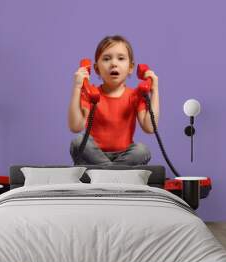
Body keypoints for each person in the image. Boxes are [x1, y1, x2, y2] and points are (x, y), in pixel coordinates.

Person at [68, 35, 160, 166]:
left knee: (142, 150)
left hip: (124, 155)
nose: (114, 64)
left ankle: (107, 172)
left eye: (121, 58)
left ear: (131, 68)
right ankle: (115, 173)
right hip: (94, 155)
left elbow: (150, 128)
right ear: (96, 69)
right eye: (106, 59)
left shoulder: (135, 95)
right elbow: (75, 127)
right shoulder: (90, 94)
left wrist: (154, 90)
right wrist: (77, 87)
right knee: (78, 142)